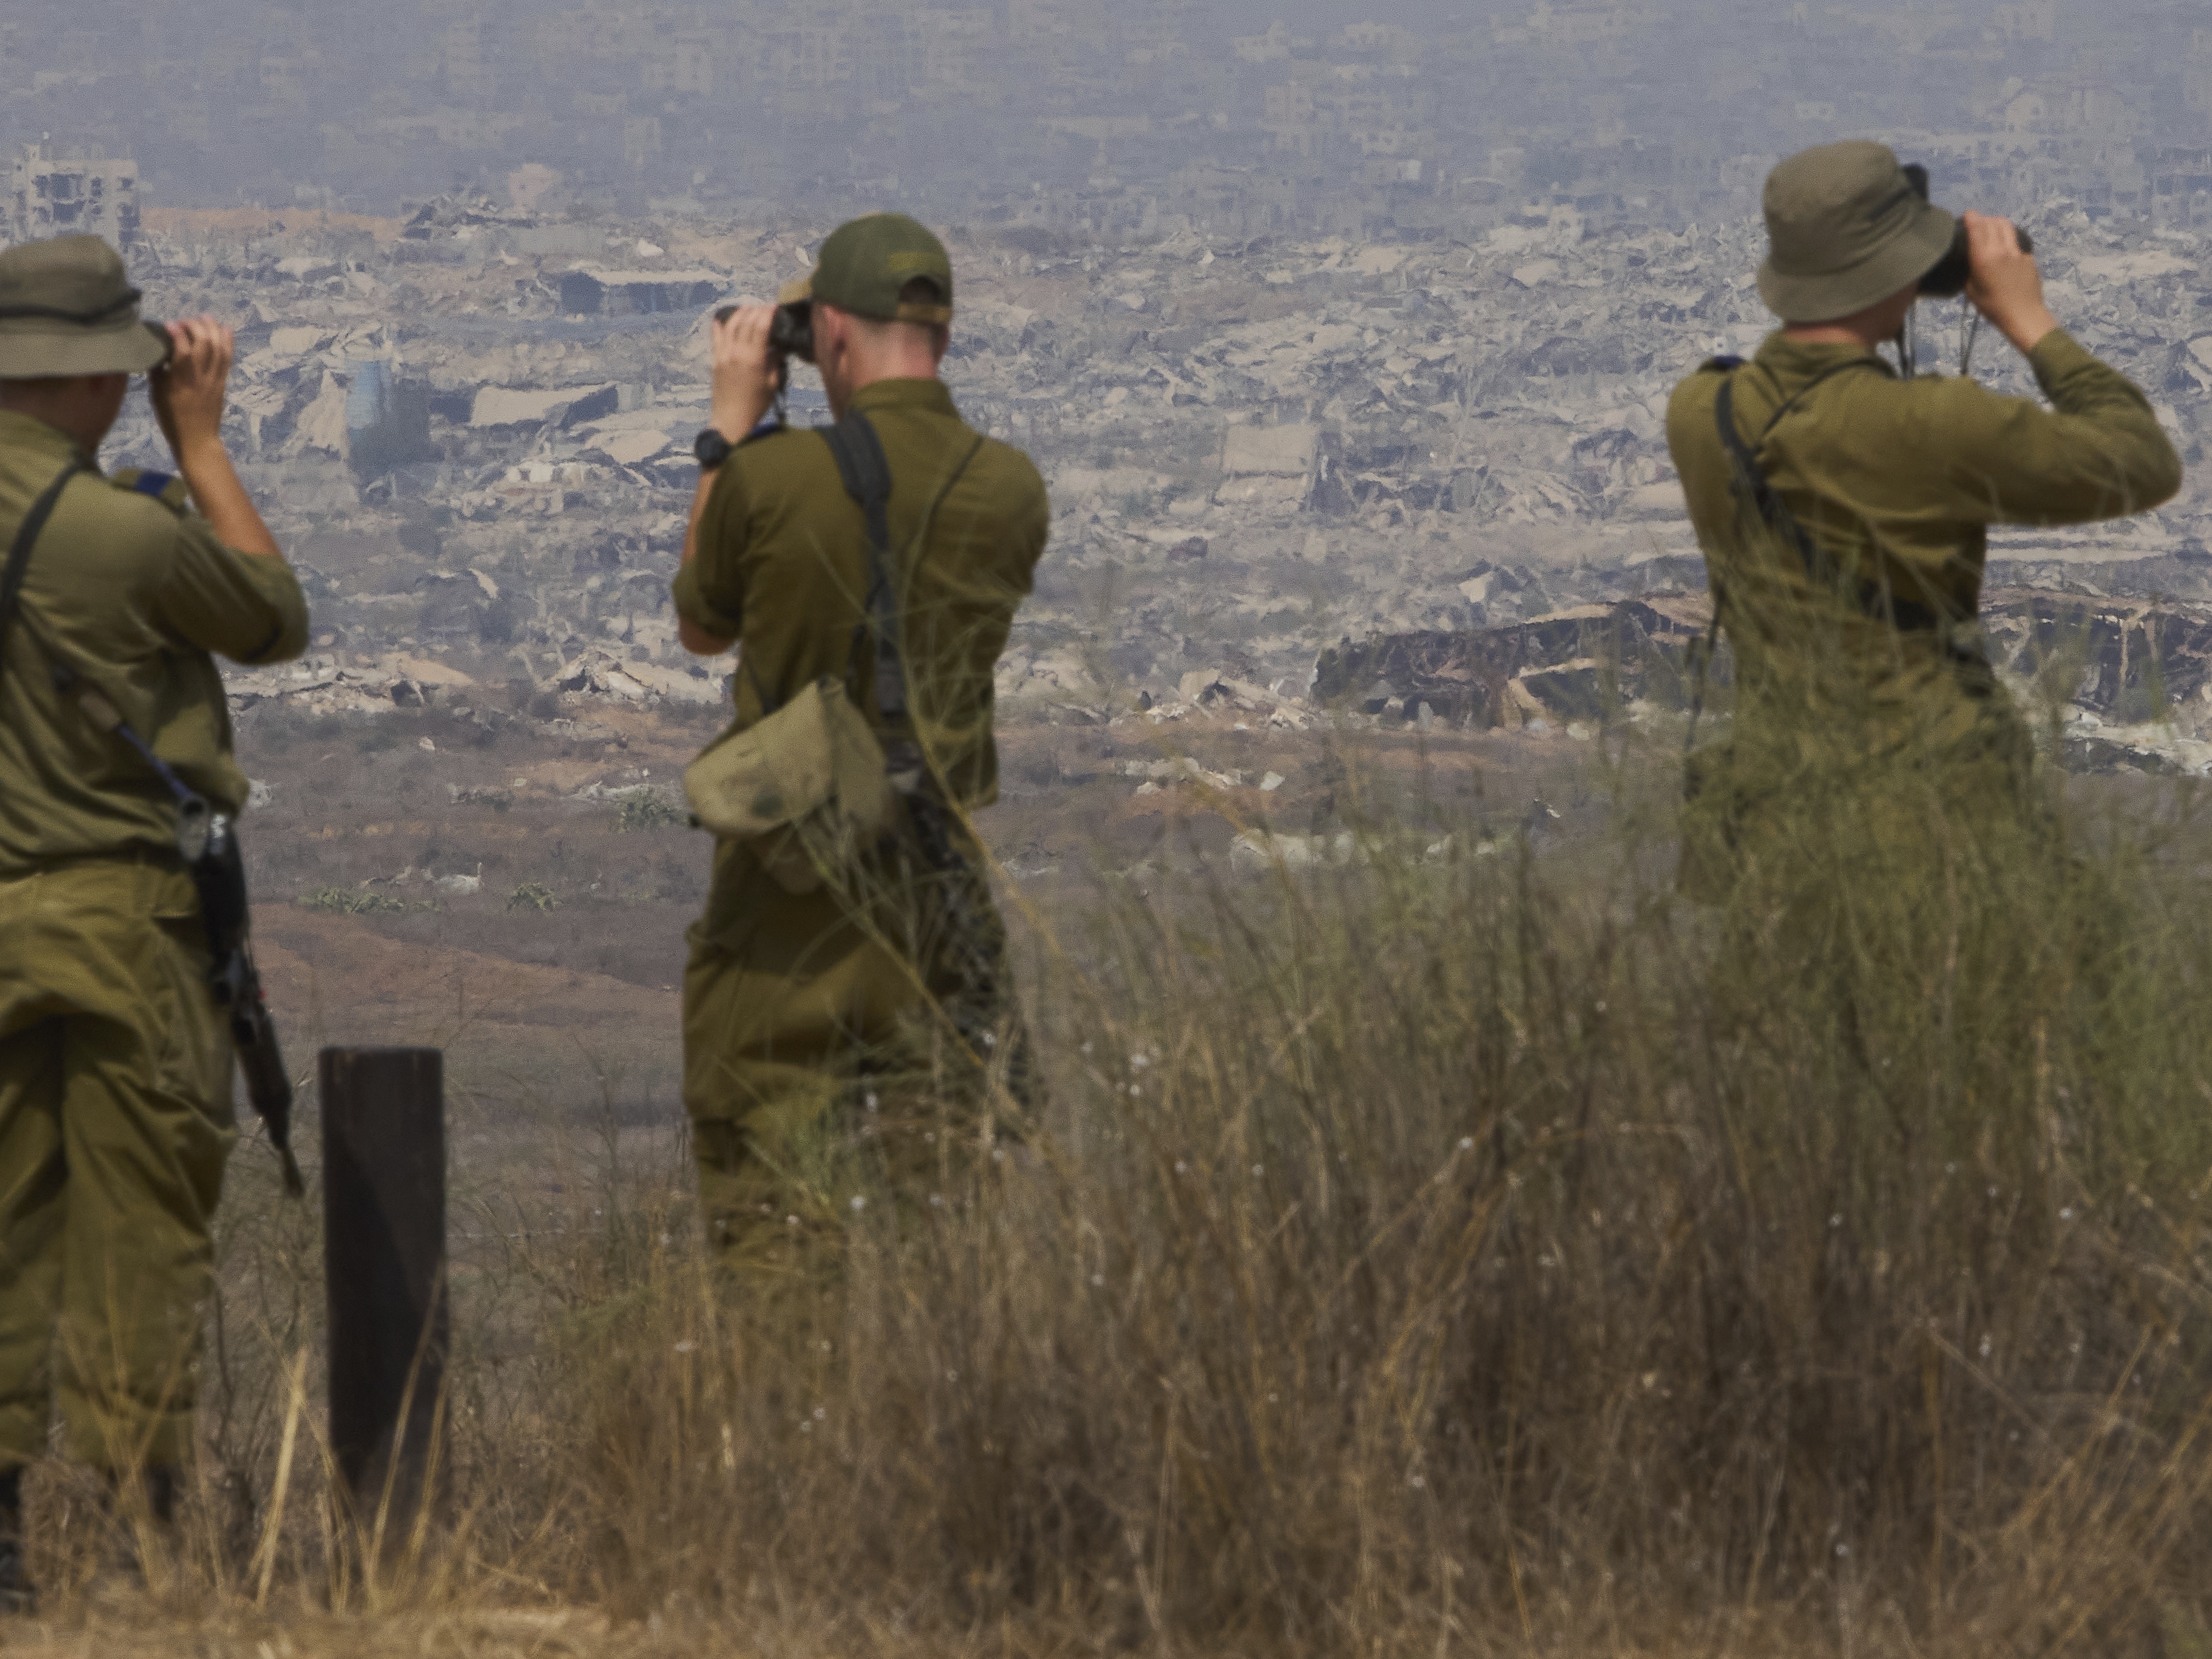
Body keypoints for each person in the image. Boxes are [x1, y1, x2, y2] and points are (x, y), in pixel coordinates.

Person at [0, 235, 308, 1608]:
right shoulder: (121, 534)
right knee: (139, 1231)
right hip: (123, 922)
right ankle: (137, 1550)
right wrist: (201, 439)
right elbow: (272, 613)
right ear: (80, 378)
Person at [673, 213, 1049, 1267]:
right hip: (937, 894)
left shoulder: (772, 478)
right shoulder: (1010, 490)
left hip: (790, 902)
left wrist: (730, 429)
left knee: (776, 1239)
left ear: (829, 332)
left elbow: (702, 619)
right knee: (944, 1242)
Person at [1665, 141, 2182, 897]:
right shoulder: (1929, 425)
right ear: (1900, 272)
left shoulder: (1701, 411)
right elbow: (2141, 460)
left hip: (1779, 844)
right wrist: (2029, 318)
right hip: (1939, 838)